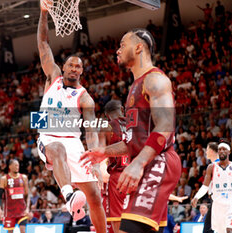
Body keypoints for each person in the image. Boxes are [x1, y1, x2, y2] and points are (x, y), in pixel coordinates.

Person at [80, 28, 181, 233]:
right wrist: (104, 152)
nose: (117, 50)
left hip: (159, 161)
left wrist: (138, 163)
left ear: (138, 47)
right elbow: (133, 142)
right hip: (148, 163)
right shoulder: (134, 86)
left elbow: (165, 126)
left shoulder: (155, 79)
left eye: (122, 45)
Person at [37, 2, 106, 232]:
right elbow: (44, 43)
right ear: (63, 67)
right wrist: (43, 12)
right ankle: (69, 195)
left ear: (82, 72)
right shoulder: (53, 77)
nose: (74, 68)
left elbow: (91, 130)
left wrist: (94, 157)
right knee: (58, 148)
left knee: (94, 197)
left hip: (74, 142)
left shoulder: (85, 98)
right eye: (71, 65)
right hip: (48, 138)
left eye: (79, 67)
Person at [191, 140, 232, 233]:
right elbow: (205, 186)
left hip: (231, 205)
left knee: (230, 229)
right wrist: (196, 197)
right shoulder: (211, 167)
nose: (222, 151)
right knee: (221, 231)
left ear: (229, 152)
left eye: (224, 149)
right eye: (220, 149)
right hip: (217, 205)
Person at [99, 100, 127, 233]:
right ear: (122, 109)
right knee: (138, 218)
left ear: (106, 115)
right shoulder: (134, 125)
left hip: (118, 177)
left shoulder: (107, 127)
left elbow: (99, 152)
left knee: (117, 219)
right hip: (136, 174)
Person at [191, 142, 218, 233]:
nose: (205, 152)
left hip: (217, 200)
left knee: (207, 230)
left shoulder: (213, 166)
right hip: (219, 200)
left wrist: (196, 197)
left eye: (207, 150)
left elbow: (205, 186)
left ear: (211, 151)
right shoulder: (222, 164)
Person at [0, 159, 30, 233]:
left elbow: (27, 195)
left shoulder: (24, 177)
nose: (17, 167)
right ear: (10, 167)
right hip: (9, 212)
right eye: (15, 165)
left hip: (22, 210)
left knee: (23, 230)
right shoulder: (4, 179)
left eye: (18, 165)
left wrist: (27, 208)